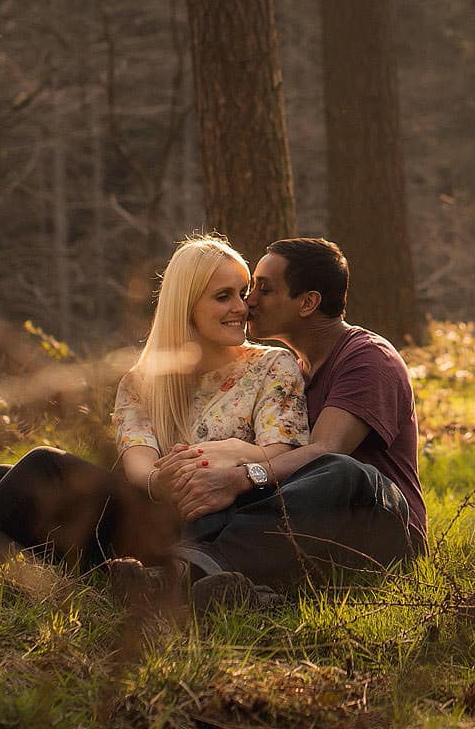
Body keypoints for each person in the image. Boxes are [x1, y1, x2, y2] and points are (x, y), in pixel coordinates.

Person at [0, 236, 307, 609]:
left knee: (44, 465)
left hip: (202, 542)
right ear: (186, 304)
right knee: (4, 476)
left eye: (243, 293)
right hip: (140, 520)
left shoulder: (271, 367)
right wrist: (161, 476)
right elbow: (137, 464)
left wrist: (228, 459)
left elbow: (284, 454)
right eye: (223, 296)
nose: (242, 308)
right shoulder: (144, 381)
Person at [156, 237, 424, 589]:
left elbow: (325, 451)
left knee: (341, 471)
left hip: (382, 527)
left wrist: (241, 476)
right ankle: (222, 583)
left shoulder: (368, 358)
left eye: (263, 289)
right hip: (317, 529)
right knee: (227, 491)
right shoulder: (290, 372)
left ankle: (198, 566)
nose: (248, 301)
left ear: (308, 302)